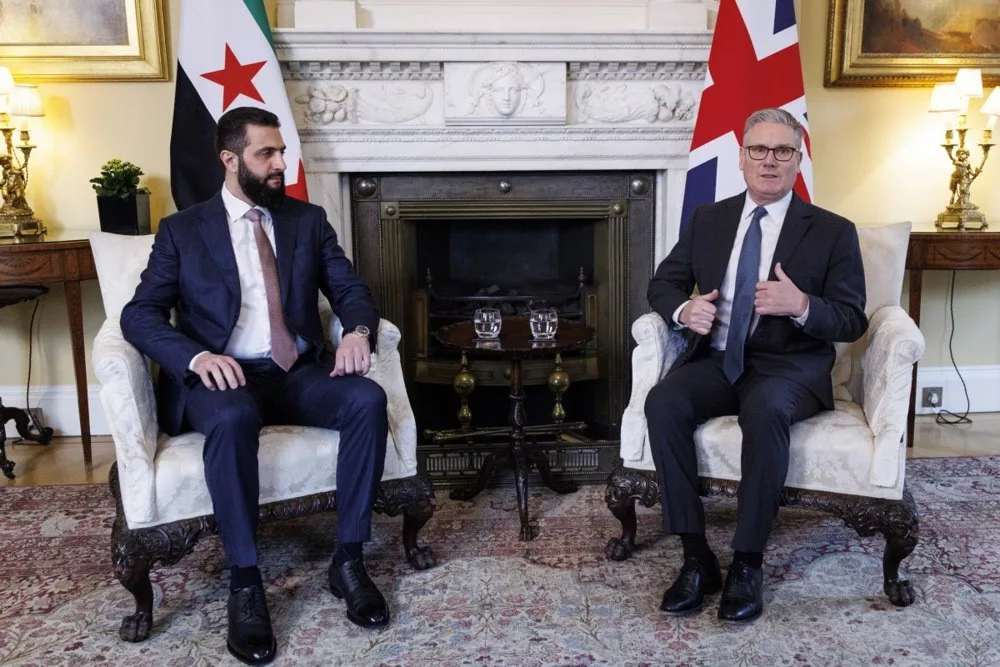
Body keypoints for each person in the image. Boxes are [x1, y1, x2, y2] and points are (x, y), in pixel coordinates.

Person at [121, 106, 389, 665]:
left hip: (294, 373)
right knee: (234, 415)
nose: (280, 164)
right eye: (266, 153)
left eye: (281, 152)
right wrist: (196, 357)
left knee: (367, 398)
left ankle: (348, 560)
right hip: (224, 378)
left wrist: (357, 332)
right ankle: (245, 583)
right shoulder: (182, 231)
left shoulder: (307, 221)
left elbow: (349, 289)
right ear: (230, 159)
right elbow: (139, 314)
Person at [645, 107, 868, 622]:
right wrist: (684, 310)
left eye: (783, 150)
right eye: (759, 150)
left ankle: (747, 562)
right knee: (663, 402)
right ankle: (696, 557)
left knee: (765, 409)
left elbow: (853, 319)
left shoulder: (833, 231)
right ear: (741, 158)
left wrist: (802, 305)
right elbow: (663, 284)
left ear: (798, 160)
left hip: (787, 368)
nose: (770, 161)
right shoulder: (708, 219)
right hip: (718, 360)